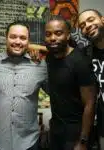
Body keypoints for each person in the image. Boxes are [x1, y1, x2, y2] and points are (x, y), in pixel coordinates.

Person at [0, 21, 48, 150]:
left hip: (29, 143)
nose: (17, 42)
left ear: (29, 41)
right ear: (5, 38)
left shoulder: (40, 65)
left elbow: (59, 94)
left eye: (23, 38)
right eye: (13, 37)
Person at [44, 15, 97, 150]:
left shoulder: (80, 62)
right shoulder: (50, 57)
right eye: (48, 34)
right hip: (56, 130)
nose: (53, 38)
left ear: (68, 36)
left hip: (76, 134)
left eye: (58, 33)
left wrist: (83, 141)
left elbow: (90, 103)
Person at [78, 9, 104, 150]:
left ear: (102, 20)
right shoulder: (84, 56)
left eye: (91, 20)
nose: (87, 26)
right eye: (82, 25)